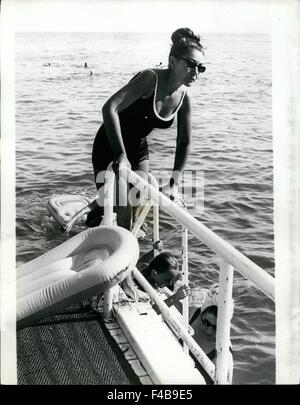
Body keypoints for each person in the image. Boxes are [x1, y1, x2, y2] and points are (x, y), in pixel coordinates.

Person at [85, 27, 206, 230]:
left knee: (138, 200)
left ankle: (101, 204)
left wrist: (174, 183)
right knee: (122, 212)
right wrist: (120, 155)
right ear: (173, 62)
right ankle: (99, 214)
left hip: (138, 147)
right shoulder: (150, 79)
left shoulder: (185, 98)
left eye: (200, 68)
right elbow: (110, 108)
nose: (195, 72)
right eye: (191, 64)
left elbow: (184, 142)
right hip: (110, 144)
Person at [121, 240, 190, 309]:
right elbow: (154, 310)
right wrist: (175, 297)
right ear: (154, 273)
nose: (170, 283)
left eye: (172, 280)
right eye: (167, 280)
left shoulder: (145, 268)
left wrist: (155, 250)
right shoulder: (145, 294)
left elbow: (142, 261)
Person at [189, 284, 234, 384]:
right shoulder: (194, 314)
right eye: (206, 323)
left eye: (216, 328)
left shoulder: (224, 356)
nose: (209, 331)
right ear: (202, 313)